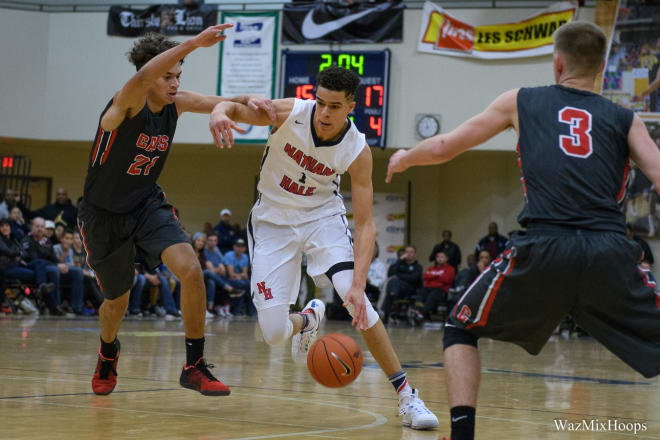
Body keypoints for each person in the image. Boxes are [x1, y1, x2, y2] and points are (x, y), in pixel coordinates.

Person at [386, 21, 660, 440]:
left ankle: (463, 436)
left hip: (544, 245)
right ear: (602, 67)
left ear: (557, 63)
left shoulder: (520, 100)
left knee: (461, 326)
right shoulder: (625, 118)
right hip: (608, 248)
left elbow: (445, 147)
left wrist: (405, 158)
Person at [209, 66, 438, 429]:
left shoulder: (357, 149)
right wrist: (220, 112)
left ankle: (408, 396)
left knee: (356, 301)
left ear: (351, 106)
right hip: (272, 222)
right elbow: (234, 109)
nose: (325, 113)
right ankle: (309, 319)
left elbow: (365, 224)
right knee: (273, 333)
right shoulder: (290, 114)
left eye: (334, 106)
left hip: (321, 219)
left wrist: (359, 285)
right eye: (320, 103)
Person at [76, 25, 275, 397]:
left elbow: (229, 102)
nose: (174, 83)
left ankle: (194, 366)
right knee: (116, 300)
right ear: (150, 75)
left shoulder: (176, 103)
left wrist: (264, 105)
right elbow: (142, 76)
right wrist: (195, 43)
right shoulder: (125, 103)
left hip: (146, 205)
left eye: (178, 76)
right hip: (102, 216)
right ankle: (107, 353)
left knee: (191, 269)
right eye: (168, 76)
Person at [381, 245, 423, 324]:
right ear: (403, 253)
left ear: (415, 254)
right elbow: (390, 273)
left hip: (409, 290)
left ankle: (384, 313)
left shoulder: (418, 267)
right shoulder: (400, 264)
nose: (409, 254)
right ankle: (393, 294)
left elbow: (413, 278)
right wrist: (399, 260)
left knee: (393, 283)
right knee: (392, 283)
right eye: (407, 252)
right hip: (398, 289)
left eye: (411, 252)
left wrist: (399, 275)